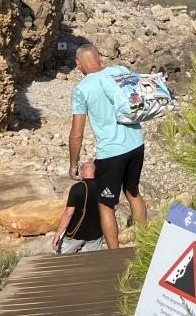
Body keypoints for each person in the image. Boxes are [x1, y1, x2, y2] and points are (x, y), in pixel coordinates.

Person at [68, 43, 147, 249]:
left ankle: (115, 256)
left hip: (111, 152)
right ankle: (146, 246)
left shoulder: (81, 89)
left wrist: (73, 163)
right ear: (100, 57)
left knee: (106, 205)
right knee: (133, 193)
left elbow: (77, 133)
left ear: (78, 64)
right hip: (136, 143)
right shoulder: (120, 71)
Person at [52, 161, 104, 254]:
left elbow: (69, 213)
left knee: (61, 258)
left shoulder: (77, 188)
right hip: (96, 234)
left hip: (75, 234)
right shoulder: (103, 186)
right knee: (93, 261)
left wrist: (58, 234)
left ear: (82, 172)